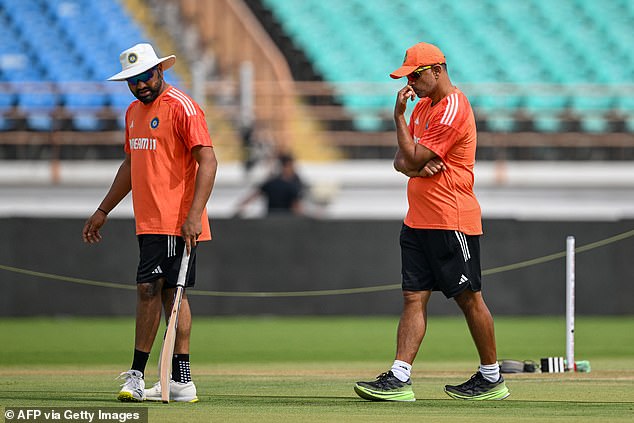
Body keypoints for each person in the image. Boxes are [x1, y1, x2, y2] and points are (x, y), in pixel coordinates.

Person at [354, 42, 509, 402]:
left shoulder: (453, 107)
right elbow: (400, 161)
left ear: (438, 70)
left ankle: (491, 377)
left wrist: (403, 135)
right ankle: (399, 376)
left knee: (469, 298)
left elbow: (413, 156)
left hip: (450, 218)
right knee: (413, 298)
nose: (411, 82)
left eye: (416, 74)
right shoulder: (423, 108)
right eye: (408, 75)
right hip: (419, 220)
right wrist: (414, 160)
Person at [82, 43, 218, 403]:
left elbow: (209, 162)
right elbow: (130, 166)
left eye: (144, 76)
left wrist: (193, 215)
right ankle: (180, 382)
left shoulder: (182, 107)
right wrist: (103, 210)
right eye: (132, 80)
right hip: (148, 220)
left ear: (160, 71)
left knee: (151, 291)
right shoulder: (132, 112)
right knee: (172, 294)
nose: (139, 85)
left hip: (175, 220)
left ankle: (138, 375)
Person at [234, 152, 304, 216]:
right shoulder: (292, 185)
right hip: (286, 220)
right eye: (291, 166)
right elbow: (296, 206)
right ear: (285, 166)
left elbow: (254, 195)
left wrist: (240, 206)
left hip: (270, 218)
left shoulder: (271, 182)